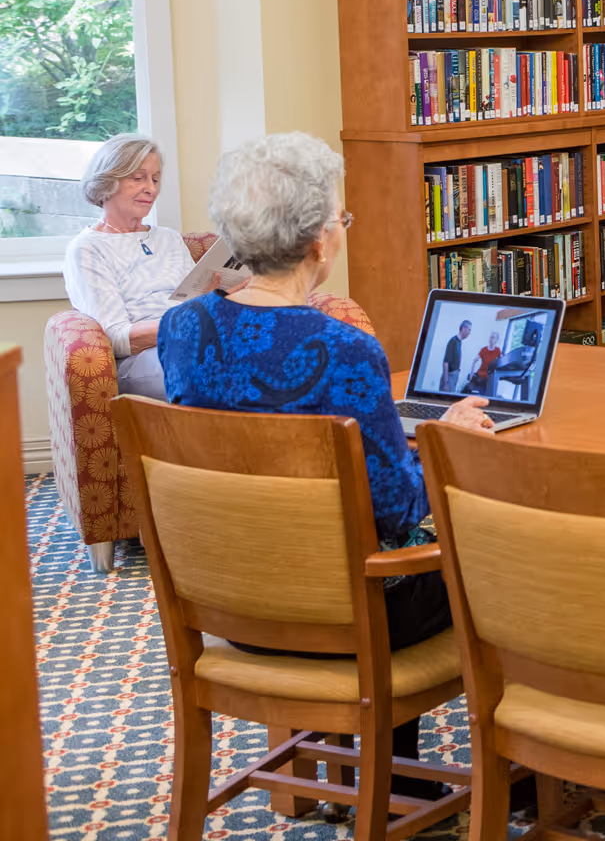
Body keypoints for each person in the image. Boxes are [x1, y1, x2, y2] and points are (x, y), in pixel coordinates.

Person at [157, 131, 495, 801]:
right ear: (319, 239)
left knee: (357, 541)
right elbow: (398, 508)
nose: (341, 231)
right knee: (498, 557)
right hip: (349, 613)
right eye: (341, 219)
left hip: (228, 601)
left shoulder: (184, 328)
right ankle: (523, 777)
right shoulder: (344, 349)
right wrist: (445, 439)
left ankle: (377, 781)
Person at [62, 133, 197, 400]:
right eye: (138, 178)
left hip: (193, 340)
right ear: (107, 181)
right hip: (143, 359)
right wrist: (186, 324)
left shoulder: (169, 238)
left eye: (155, 179)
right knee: (206, 368)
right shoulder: (88, 248)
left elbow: (192, 301)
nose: (151, 188)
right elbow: (117, 337)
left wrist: (221, 295)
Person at [464, 329, 502, 396]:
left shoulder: (497, 351)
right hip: (480, 376)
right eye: (490, 337)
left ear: (496, 340)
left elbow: (500, 363)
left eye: (493, 337)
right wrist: (472, 373)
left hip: (489, 379)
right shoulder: (484, 350)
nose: (491, 339)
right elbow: (474, 361)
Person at [441, 319, 471, 391]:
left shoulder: (459, 342)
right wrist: (446, 383)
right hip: (449, 377)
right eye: (469, 330)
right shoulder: (453, 342)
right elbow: (445, 363)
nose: (469, 333)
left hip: (454, 376)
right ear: (463, 328)